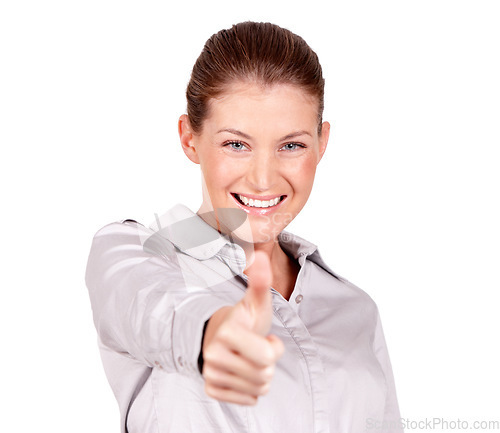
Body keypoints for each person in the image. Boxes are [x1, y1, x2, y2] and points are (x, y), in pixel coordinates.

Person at [85, 21, 403, 433]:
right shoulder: (144, 256)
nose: (264, 179)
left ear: (322, 143)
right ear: (190, 139)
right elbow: (147, 302)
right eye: (236, 144)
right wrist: (208, 333)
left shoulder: (356, 309)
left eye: (291, 145)